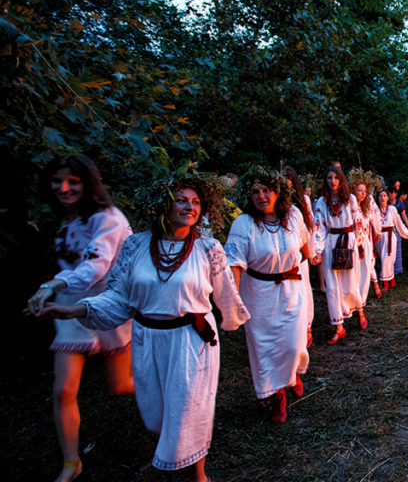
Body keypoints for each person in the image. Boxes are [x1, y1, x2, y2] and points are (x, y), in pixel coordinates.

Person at [35, 175, 250, 482]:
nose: (190, 206)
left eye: (196, 202)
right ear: (163, 202)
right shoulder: (136, 245)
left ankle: (199, 475)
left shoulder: (208, 248)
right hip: (147, 338)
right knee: (158, 411)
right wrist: (72, 310)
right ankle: (177, 450)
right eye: (182, 199)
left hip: (192, 340)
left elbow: (226, 293)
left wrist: (231, 318)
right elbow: (116, 298)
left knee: (191, 407)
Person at [25, 155, 134, 482]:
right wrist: (47, 295)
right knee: (64, 390)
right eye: (58, 181)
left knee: (121, 385)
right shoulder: (65, 219)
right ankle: (71, 463)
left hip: (109, 308)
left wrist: (51, 285)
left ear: (89, 183)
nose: (64, 187)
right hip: (69, 309)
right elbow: (70, 266)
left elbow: (95, 266)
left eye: (73, 181)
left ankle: (172, 394)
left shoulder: (108, 218)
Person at [225, 169, 310, 423]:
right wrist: (235, 301)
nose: (261, 196)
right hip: (258, 295)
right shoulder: (244, 223)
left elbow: (305, 249)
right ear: (248, 196)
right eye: (255, 191)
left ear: (277, 191)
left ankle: (293, 373)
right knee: (265, 348)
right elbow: (235, 263)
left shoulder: (293, 215)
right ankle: (277, 396)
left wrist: (285, 269)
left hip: (291, 290)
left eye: (266, 190)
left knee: (294, 344)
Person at [313, 167, 362, 345]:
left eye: (336, 177)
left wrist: (359, 244)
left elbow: (357, 223)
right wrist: (317, 251)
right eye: (329, 177)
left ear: (341, 180)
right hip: (330, 243)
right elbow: (319, 228)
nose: (333, 181)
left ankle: (359, 309)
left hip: (347, 241)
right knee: (332, 287)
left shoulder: (350, 200)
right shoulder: (321, 202)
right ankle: (339, 327)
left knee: (350, 282)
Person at [283, 166, 318, 349]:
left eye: (289, 180)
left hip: (299, 251)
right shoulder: (275, 200)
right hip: (282, 253)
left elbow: (310, 226)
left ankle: (307, 326)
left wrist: (310, 253)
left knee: (303, 289)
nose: (286, 184)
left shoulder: (302, 199)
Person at [376, 190, 408, 288]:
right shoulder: (375, 210)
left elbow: (399, 223)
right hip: (380, 237)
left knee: (387, 259)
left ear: (388, 198)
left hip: (390, 236)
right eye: (380, 196)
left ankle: (385, 283)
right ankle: (391, 279)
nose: (382, 198)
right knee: (383, 258)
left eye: (384, 196)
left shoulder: (392, 209)